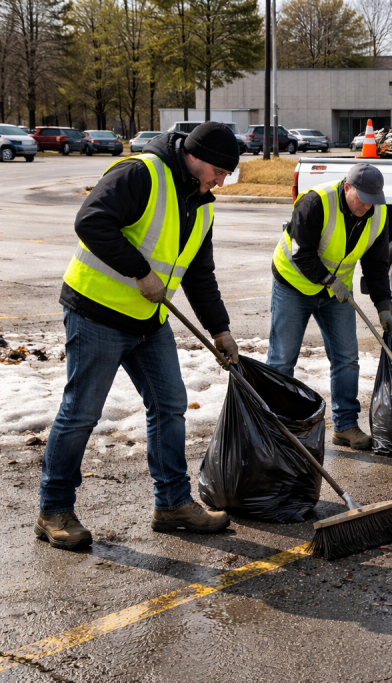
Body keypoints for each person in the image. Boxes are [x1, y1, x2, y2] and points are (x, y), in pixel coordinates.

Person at [36, 122, 241, 550]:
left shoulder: (202, 205)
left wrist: (219, 329)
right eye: (219, 172)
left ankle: (172, 505)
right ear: (196, 157)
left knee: (170, 405)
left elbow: (200, 274)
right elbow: (90, 221)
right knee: (81, 413)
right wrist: (141, 271)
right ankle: (53, 510)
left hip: (148, 320)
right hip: (97, 311)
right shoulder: (142, 173)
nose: (221, 182)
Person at [267, 162, 392, 450]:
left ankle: (345, 426)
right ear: (347, 187)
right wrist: (329, 281)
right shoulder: (315, 202)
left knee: (347, 358)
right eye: (361, 199)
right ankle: (276, 429)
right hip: (294, 284)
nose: (366, 207)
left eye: (373, 201)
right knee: (282, 360)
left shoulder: (379, 214)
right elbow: (301, 253)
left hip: (336, 294)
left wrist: (383, 305)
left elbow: (376, 265)